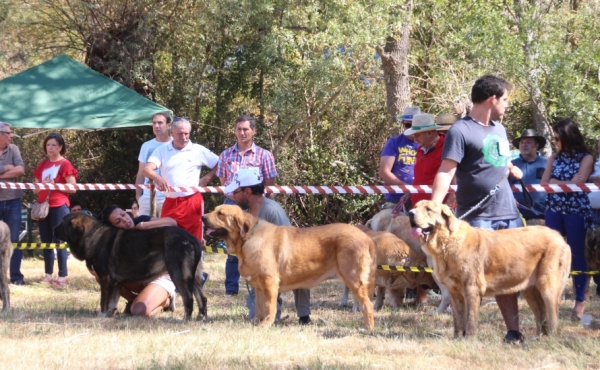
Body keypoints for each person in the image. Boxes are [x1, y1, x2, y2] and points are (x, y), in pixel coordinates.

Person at [430, 75, 525, 343]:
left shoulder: (500, 129)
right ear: (492, 99)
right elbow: (446, 171)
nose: (507, 106)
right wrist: (435, 209)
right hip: (476, 219)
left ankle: (513, 332)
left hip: (509, 213)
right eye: (505, 100)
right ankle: (466, 334)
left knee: (507, 277)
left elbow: (499, 159)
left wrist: (510, 167)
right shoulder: (460, 131)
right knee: (468, 282)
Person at [225, 167, 311, 324]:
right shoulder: (245, 213)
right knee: (256, 317)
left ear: (247, 192)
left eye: (236, 192)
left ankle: (304, 316)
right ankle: (270, 314)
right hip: (260, 269)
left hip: (284, 263)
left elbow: (291, 245)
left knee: (300, 270)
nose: (233, 196)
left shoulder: (272, 211)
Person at [217, 115, 278, 298]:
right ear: (235, 131)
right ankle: (231, 288)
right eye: (239, 129)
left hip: (255, 205)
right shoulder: (225, 155)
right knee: (232, 245)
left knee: (260, 245)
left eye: (246, 129)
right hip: (231, 204)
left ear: (254, 131)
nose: (242, 133)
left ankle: (261, 283)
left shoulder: (265, 155)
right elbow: (223, 182)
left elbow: (269, 183)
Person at [541, 118, 594, 320]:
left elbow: (577, 183)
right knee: (551, 253)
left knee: (577, 254)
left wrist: (557, 182)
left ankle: (580, 300)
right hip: (554, 208)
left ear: (567, 137)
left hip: (576, 209)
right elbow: (545, 183)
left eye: (557, 138)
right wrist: (558, 183)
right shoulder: (553, 157)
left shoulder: (586, 158)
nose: (555, 142)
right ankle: (551, 299)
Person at [397, 113, 451, 306]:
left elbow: (453, 178)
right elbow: (420, 180)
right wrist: (409, 195)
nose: (414, 138)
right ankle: (442, 299)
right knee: (430, 257)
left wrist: (450, 205)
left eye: (418, 134)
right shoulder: (421, 150)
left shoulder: (447, 148)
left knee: (444, 257)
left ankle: (451, 297)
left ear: (430, 132)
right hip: (420, 213)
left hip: (439, 214)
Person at [142, 117, 218, 243]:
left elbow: (220, 164)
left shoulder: (198, 150)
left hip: (192, 202)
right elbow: (146, 169)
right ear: (171, 132)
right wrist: (157, 178)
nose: (184, 137)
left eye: (186, 133)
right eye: (180, 134)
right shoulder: (161, 150)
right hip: (170, 202)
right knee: (166, 240)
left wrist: (206, 178)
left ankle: (196, 262)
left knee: (194, 241)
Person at [100, 205, 178, 316]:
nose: (125, 220)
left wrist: (143, 225)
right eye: (118, 222)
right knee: (102, 276)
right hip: (138, 277)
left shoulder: (141, 220)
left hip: (161, 275)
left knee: (139, 312)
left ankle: (166, 302)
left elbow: (172, 223)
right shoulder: (115, 240)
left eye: (123, 215)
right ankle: (136, 300)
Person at [33, 133, 78, 287]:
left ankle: (62, 276)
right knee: (45, 241)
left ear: (60, 147)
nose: (50, 148)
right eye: (48, 145)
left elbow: (73, 188)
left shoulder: (65, 164)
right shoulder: (42, 164)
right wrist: (43, 185)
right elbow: (35, 189)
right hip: (43, 207)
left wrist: (56, 185)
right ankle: (47, 275)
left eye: (53, 145)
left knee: (60, 240)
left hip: (59, 205)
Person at [378, 106, 419, 210]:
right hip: (395, 198)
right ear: (403, 124)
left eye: (415, 125)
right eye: (408, 125)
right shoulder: (394, 142)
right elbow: (384, 172)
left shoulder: (427, 144)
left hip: (421, 198)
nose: (411, 128)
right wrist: (406, 188)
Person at [0, 122, 26, 285]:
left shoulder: (14, 149)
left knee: (14, 239)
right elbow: (13, 170)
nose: (11, 136)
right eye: (8, 133)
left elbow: (20, 170)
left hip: (13, 201)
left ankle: (16, 277)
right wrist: (5, 167)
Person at [135, 112, 172, 216]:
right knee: (144, 229)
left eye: (160, 123)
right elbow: (140, 173)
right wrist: (138, 196)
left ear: (169, 125)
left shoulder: (175, 145)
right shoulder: (146, 146)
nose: (156, 126)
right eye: (154, 123)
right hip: (147, 196)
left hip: (168, 196)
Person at [510, 129, 548, 220]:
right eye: (522, 142)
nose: (524, 145)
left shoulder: (548, 164)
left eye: (528, 142)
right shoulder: (511, 165)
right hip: (516, 216)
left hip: (544, 216)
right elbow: (503, 186)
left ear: (537, 145)